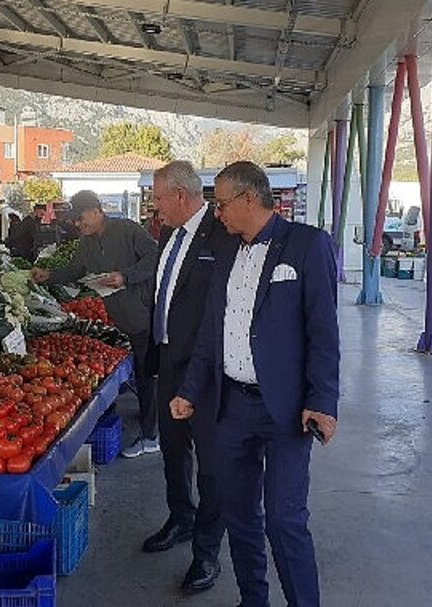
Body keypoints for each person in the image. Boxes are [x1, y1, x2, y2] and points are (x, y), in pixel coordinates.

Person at [171, 161, 339, 607]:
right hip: (231, 406)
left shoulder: (307, 245)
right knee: (239, 514)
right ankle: (253, 599)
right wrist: (189, 389)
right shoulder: (225, 249)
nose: (217, 213)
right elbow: (212, 330)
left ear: (249, 199)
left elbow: (324, 333)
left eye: (222, 204)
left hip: (286, 408)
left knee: (284, 519)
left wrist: (323, 401)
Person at [144, 161, 233, 593]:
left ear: (181, 196)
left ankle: (207, 552)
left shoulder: (222, 236)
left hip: (205, 371)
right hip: (167, 362)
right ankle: (181, 517)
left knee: (212, 465)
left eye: (159, 198)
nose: (154, 206)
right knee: (173, 450)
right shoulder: (168, 235)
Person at [30, 190, 159, 457]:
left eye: (81, 218)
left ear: (96, 210)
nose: (78, 224)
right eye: (75, 221)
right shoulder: (86, 243)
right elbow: (76, 270)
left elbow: (155, 257)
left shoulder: (127, 230)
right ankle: (150, 416)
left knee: (148, 373)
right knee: (141, 372)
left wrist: (126, 276)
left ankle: (151, 436)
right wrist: (48, 275)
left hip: (144, 313)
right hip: (119, 316)